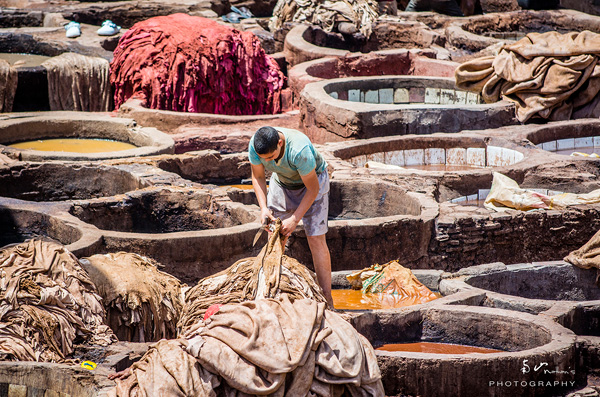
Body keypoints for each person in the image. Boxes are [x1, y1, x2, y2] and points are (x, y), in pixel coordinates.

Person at [248, 126, 333, 306]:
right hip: (282, 182)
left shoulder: (299, 150)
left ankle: (327, 298)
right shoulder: (256, 146)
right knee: (275, 236)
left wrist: (295, 219)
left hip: (313, 181)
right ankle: (271, 294)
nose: (268, 161)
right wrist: (263, 208)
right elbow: (258, 176)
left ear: (280, 143)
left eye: (270, 158)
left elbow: (313, 189)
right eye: (265, 159)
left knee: (316, 239)